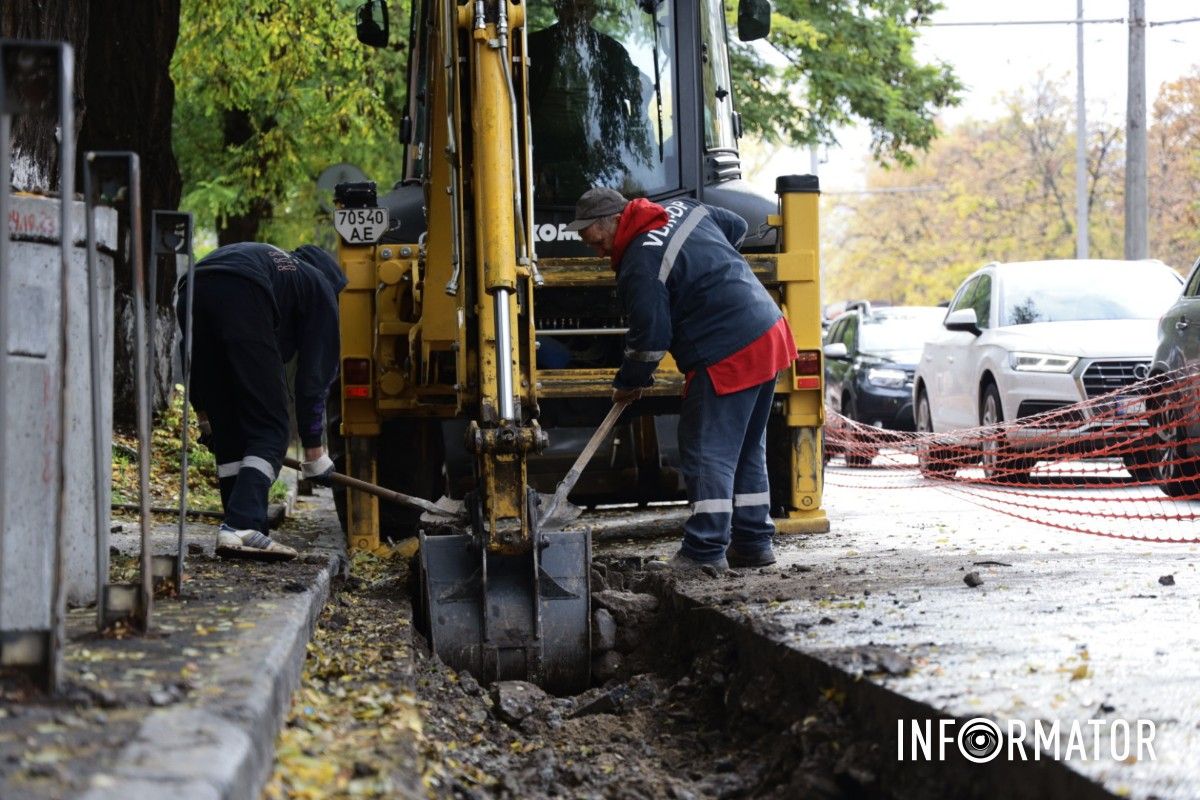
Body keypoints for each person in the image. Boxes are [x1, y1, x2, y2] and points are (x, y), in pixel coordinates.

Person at [566, 187, 797, 573]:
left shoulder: (640, 262)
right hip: (767, 329)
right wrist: (710, 271)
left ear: (614, 220)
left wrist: (630, 381)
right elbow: (736, 225)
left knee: (707, 450)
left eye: (596, 241)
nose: (599, 252)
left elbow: (650, 340)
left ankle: (704, 551)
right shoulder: (682, 208)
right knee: (745, 447)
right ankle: (753, 543)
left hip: (727, 349)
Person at [177, 242, 347, 561]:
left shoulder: (281, 271)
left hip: (191, 287)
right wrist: (314, 451)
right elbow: (316, 374)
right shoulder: (321, 286)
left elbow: (195, 360)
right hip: (243, 291)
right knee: (270, 430)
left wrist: (205, 415)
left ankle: (242, 529)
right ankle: (242, 524)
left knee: (230, 433)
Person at [526, 0, 652, 202]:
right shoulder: (533, 47)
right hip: (540, 158)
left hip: (597, 160)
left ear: (593, 12)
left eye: (582, 8)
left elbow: (642, 87)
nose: (575, 15)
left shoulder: (610, 51)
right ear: (557, 9)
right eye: (568, 7)